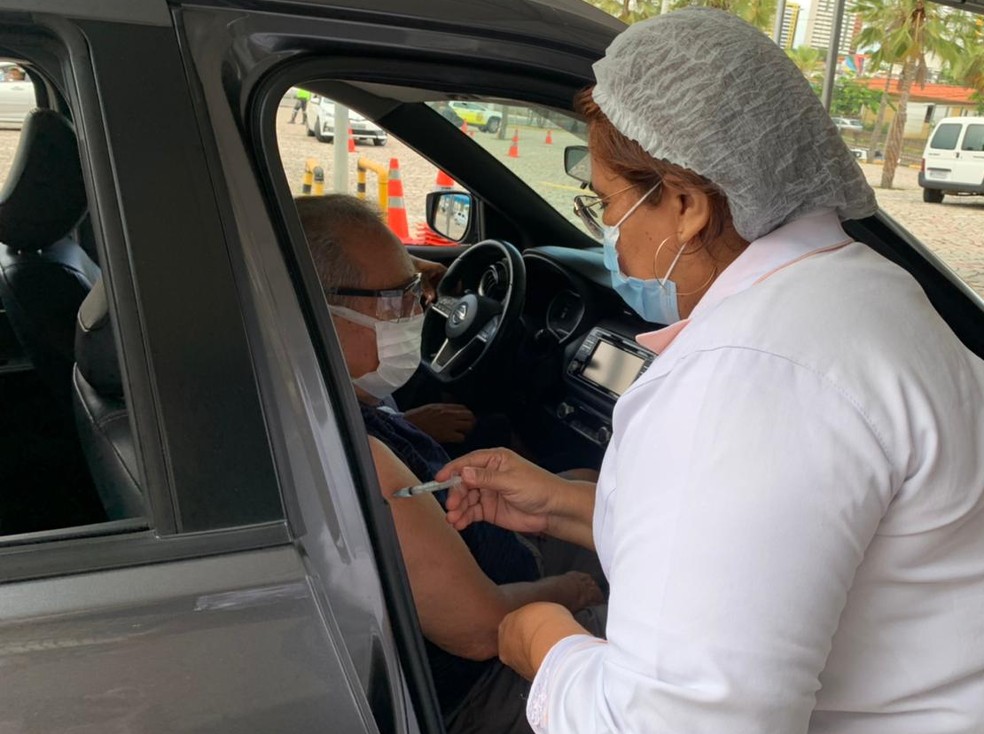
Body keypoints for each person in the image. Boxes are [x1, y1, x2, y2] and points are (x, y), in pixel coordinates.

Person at [438, 9, 984, 733]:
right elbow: (773, 547)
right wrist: (561, 507)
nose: (607, 238)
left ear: (687, 206)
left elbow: (678, 722)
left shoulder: (748, 382)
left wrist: (541, 642)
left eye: (606, 205)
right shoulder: (863, 291)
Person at [295, 193, 605, 734]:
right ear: (321, 313)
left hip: (497, 556)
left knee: (586, 483)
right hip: (484, 685)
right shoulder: (357, 457)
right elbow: (482, 629)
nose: (422, 308)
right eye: (399, 299)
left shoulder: (321, 399)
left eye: (418, 288)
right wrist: (576, 590)